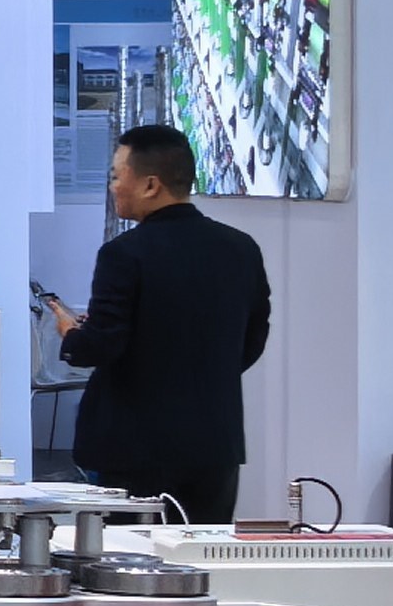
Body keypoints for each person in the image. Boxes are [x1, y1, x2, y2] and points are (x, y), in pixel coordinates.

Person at [51, 122, 270, 527]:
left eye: (117, 176)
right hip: (214, 446)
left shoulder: (123, 254)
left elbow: (101, 346)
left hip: (133, 449)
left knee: (129, 557)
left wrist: (72, 332)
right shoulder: (241, 248)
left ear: (150, 185)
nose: (113, 187)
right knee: (201, 554)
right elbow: (253, 338)